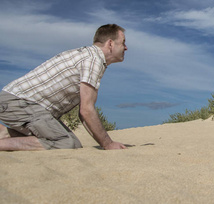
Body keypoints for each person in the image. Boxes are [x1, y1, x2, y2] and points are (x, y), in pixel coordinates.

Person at [0, 24, 128, 151]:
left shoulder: (87, 55)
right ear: (110, 44)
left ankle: (4, 134)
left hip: (17, 102)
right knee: (66, 143)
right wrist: (108, 144)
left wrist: (104, 143)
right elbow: (86, 110)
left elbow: (84, 114)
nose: (126, 48)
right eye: (123, 43)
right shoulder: (94, 60)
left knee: (72, 142)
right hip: (21, 103)